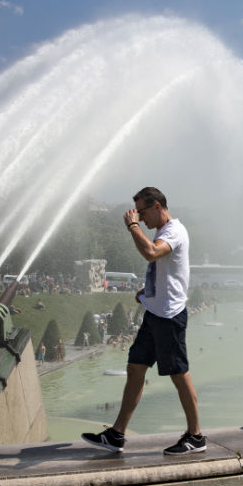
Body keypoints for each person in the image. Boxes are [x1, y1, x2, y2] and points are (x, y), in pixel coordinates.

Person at [83, 187, 204, 455]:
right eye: (137, 212)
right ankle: (117, 434)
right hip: (156, 313)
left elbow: (151, 253)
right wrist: (148, 291)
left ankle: (195, 436)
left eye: (142, 211)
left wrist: (133, 226)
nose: (140, 216)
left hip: (170, 316)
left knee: (179, 375)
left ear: (158, 206)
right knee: (135, 367)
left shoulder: (173, 231)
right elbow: (166, 270)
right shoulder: (164, 231)